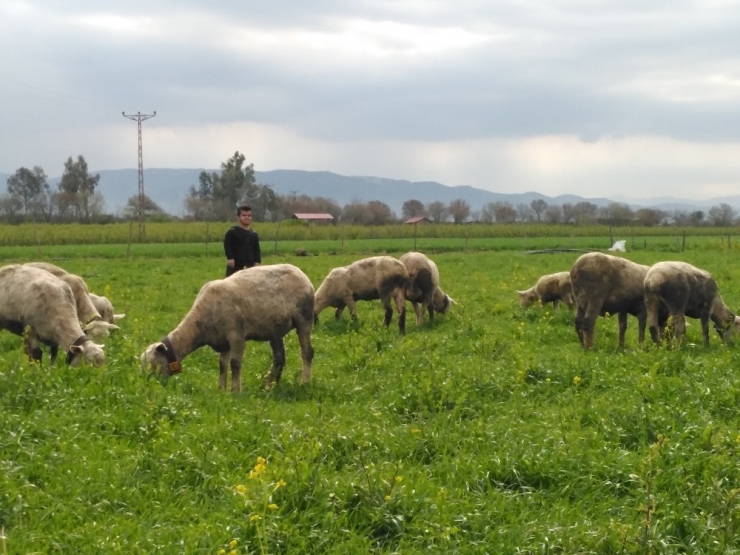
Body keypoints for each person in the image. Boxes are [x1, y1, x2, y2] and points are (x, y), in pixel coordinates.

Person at [224, 205, 261, 277]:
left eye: (249, 215)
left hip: (250, 267)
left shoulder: (253, 234)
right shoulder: (232, 232)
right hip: (235, 266)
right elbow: (228, 245)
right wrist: (230, 258)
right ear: (238, 217)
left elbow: (257, 249)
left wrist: (257, 262)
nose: (247, 217)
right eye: (244, 215)